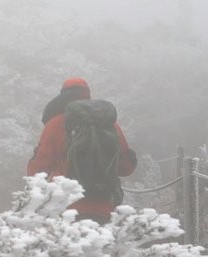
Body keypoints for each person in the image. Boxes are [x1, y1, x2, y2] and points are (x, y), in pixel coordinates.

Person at [27, 77, 137, 224]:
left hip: (65, 207)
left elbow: (38, 169)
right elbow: (126, 168)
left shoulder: (54, 124)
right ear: (88, 96)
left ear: (63, 95)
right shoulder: (109, 125)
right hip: (104, 205)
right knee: (98, 244)